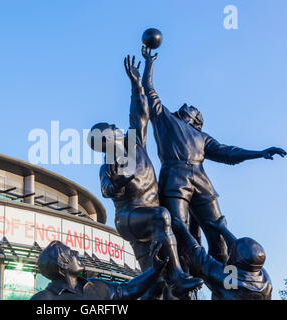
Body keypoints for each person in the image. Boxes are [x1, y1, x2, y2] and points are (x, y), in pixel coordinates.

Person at [141, 45, 287, 265]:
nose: (187, 106)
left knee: (218, 234)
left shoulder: (202, 137)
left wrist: (260, 153)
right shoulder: (166, 120)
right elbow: (149, 91)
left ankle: (225, 285)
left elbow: (229, 153)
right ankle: (182, 281)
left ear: (197, 122)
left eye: (192, 108)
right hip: (174, 178)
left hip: (202, 182)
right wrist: (149, 63)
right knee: (179, 231)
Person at [87, 56, 203, 296]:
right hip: (130, 219)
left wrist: (136, 85)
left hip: (149, 220)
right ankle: (179, 276)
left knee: (156, 282)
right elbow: (107, 189)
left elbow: (139, 112)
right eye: (110, 128)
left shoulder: (135, 143)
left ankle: (172, 280)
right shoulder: (109, 164)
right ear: (106, 140)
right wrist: (117, 183)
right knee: (163, 215)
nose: (115, 127)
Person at [31, 240, 169, 300]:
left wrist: (154, 270)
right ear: (62, 263)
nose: (77, 253)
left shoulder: (97, 286)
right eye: (71, 253)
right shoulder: (43, 298)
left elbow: (128, 289)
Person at [174, 216, 272, 300]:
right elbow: (242, 252)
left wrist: (182, 228)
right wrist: (223, 229)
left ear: (236, 261)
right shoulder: (265, 280)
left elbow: (199, 256)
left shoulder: (229, 280)